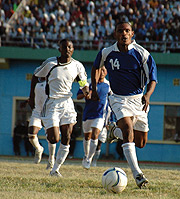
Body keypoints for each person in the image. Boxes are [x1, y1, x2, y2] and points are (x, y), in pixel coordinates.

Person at [91, 21, 157, 188]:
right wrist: (93, 89)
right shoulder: (106, 53)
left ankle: (114, 131)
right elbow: (95, 68)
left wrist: (147, 95)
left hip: (139, 100)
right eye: (120, 31)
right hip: (118, 99)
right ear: (115, 34)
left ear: (132, 33)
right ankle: (138, 175)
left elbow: (153, 79)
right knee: (128, 129)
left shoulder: (142, 54)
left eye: (127, 31)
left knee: (140, 142)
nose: (124, 34)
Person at [29, 39, 89, 177]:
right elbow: (35, 76)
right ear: (59, 49)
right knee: (54, 138)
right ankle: (50, 157)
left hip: (67, 102)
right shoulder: (50, 63)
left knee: (67, 135)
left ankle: (55, 169)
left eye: (70, 47)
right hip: (52, 103)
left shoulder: (77, 66)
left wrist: (86, 91)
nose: (67, 49)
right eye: (64, 47)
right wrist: (31, 97)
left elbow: (82, 82)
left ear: (73, 49)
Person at [77, 66, 111, 169]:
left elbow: (112, 98)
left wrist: (110, 119)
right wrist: (86, 94)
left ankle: (89, 160)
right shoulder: (87, 82)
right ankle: (86, 155)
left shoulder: (108, 85)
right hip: (87, 114)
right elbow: (78, 96)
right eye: (99, 70)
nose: (101, 72)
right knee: (87, 137)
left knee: (95, 135)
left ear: (106, 72)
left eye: (103, 70)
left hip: (100, 115)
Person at [21, 78, 56, 168]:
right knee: (31, 133)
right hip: (37, 111)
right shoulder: (36, 82)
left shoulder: (52, 81)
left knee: (51, 136)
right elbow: (34, 96)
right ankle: (39, 149)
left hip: (49, 111)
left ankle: (51, 160)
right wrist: (26, 102)